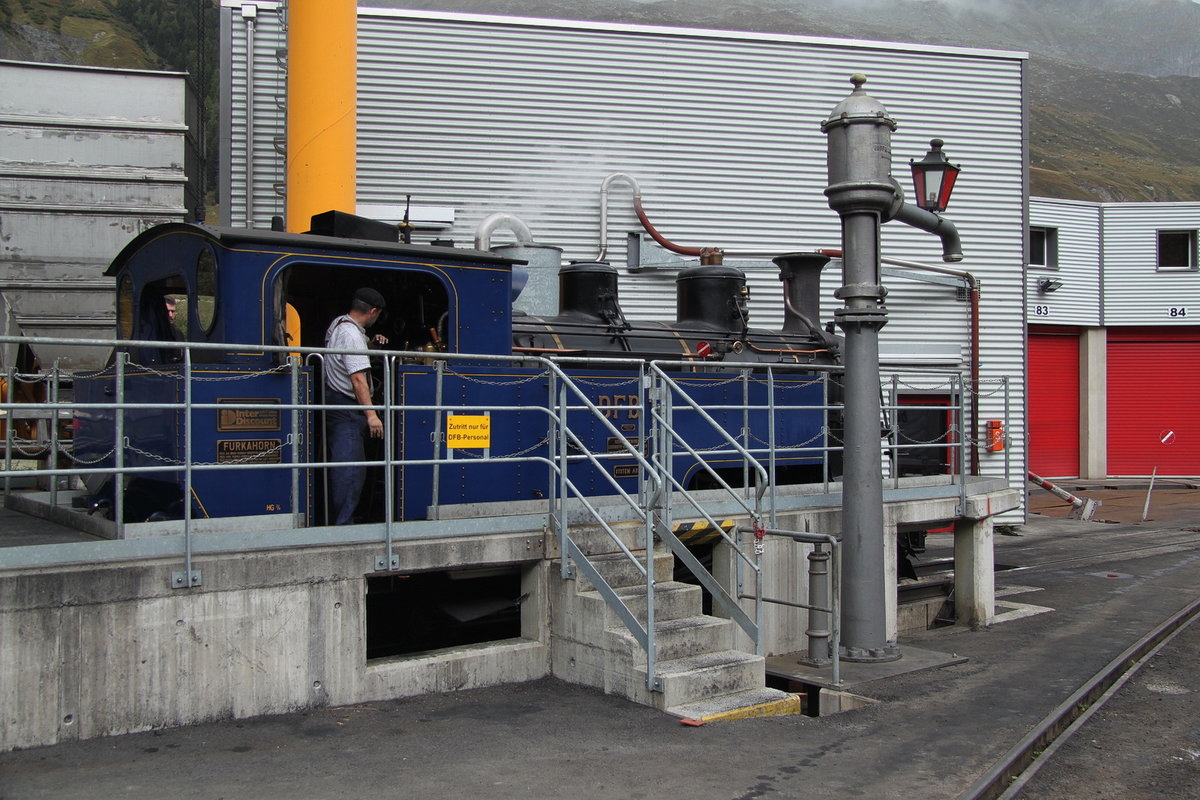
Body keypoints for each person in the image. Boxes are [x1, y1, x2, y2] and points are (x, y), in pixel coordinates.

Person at [324, 287, 390, 524]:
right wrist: (371, 415)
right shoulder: (351, 335)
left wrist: (371, 345)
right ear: (373, 311)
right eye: (378, 315)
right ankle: (343, 526)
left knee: (349, 467)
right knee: (350, 470)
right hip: (348, 408)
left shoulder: (340, 325)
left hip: (339, 404)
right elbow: (358, 379)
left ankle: (344, 521)